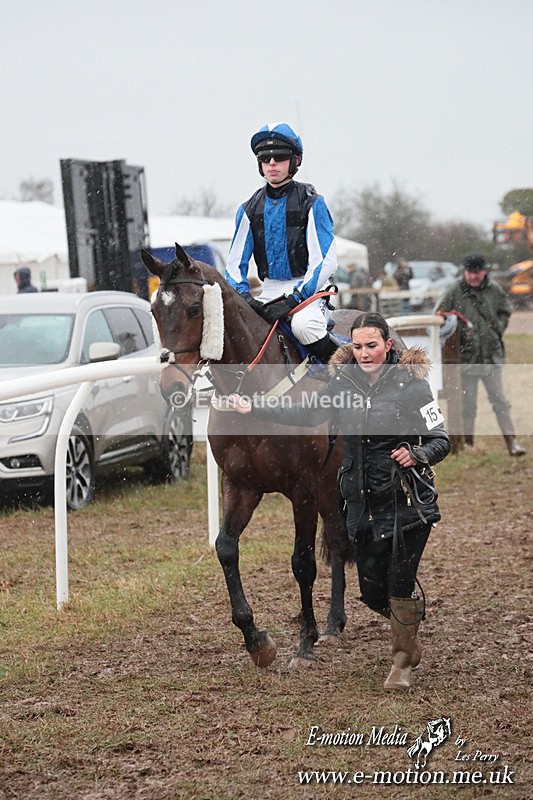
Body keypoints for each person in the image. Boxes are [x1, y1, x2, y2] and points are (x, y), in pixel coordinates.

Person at [226, 312, 450, 690]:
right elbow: (305, 413)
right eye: (358, 346)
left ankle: (403, 660)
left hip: (405, 502)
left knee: (397, 581)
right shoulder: (342, 383)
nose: (364, 353)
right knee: (372, 590)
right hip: (360, 504)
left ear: (388, 345)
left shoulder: (411, 385)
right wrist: (256, 409)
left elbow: (441, 438)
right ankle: (407, 618)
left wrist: (418, 454)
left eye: (372, 346)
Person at [225, 122, 339, 364]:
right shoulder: (248, 209)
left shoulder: (313, 203)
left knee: (304, 326)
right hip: (270, 290)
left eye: (280, 157)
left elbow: (325, 262)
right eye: (265, 158)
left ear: (295, 161)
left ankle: (352, 376)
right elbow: (234, 266)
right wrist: (244, 298)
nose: (272, 163)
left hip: (309, 290)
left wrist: (296, 299)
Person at [435, 253, 526, 457]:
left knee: (500, 401)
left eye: (477, 272)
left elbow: (505, 310)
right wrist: (457, 331)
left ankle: (512, 442)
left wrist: (497, 330)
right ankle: (468, 445)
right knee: (468, 405)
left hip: (491, 357)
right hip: (465, 358)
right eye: (470, 272)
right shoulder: (453, 290)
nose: (473, 277)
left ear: (485, 272)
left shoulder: (495, 290)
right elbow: (438, 315)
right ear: (464, 272)